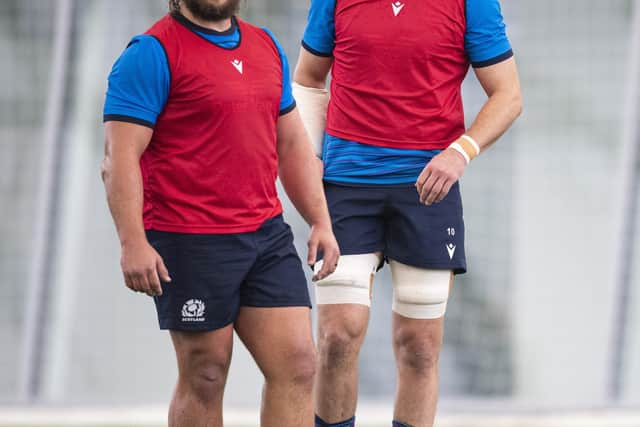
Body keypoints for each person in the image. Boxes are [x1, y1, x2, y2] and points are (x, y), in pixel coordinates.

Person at [101, 0, 340, 426]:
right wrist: (132, 242)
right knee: (206, 373)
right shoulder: (150, 53)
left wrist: (320, 220)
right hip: (189, 238)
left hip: (265, 234)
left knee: (300, 364)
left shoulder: (266, 45)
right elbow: (119, 158)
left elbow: (291, 145)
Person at [293, 0, 522, 426]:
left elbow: (508, 94)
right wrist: (308, 157)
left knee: (418, 346)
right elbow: (308, 78)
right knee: (337, 336)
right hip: (346, 185)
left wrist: (461, 152)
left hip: (429, 192)